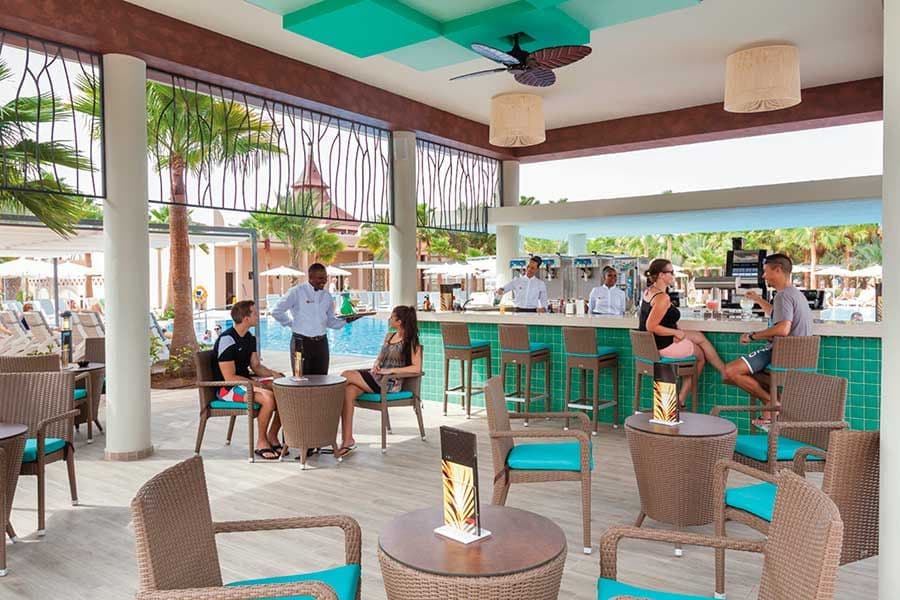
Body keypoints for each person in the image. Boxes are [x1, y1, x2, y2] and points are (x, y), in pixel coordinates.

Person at [722, 254, 813, 421]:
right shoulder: (795, 294)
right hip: (798, 355)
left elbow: (783, 328)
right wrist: (758, 300)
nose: (763, 276)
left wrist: (752, 336)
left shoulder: (782, 296)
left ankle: (771, 403)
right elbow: (776, 314)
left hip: (781, 353)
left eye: (765, 271)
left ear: (777, 270)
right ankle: (774, 404)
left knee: (729, 372)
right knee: (747, 374)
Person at [639, 258, 726, 408]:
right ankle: (680, 399)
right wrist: (676, 333)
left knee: (699, 336)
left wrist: (675, 331)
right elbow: (651, 326)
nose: (673, 275)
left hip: (653, 343)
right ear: (661, 275)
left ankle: (725, 371)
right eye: (671, 272)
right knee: (700, 357)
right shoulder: (662, 298)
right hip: (662, 345)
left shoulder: (649, 291)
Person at [338, 306, 422, 457]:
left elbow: (416, 368)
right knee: (348, 391)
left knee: (345, 374)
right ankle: (348, 440)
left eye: (392, 317)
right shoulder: (389, 336)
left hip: (389, 383)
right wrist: (377, 363)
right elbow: (381, 356)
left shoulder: (411, 341)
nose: (389, 319)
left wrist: (390, 371)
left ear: (400, 321)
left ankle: (326, 406)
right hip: (376, 377)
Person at [211, 300, 285, 460]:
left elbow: (256, 366)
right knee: (268, 398)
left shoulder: (249, 337)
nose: (258, 316)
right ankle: (261, 441)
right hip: (226, 388)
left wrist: (274, 374)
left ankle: (272, 436)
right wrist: (256, 384)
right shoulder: (227, 339)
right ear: (246, 318)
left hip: (245, 382)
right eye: (255, 313)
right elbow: (229, 377)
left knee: (284, 392)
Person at [272, 262, 360, 376]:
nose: (324, 281)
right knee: (300, 380)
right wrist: (291, 324)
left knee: (322, 380)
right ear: (311, 277)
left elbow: (330, 321)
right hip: (301, 343)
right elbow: (276, 311)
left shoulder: (327, 296)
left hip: (321, 344)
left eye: (325, 278)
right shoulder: (297, 292)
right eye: (320, 278)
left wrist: (346, 320)